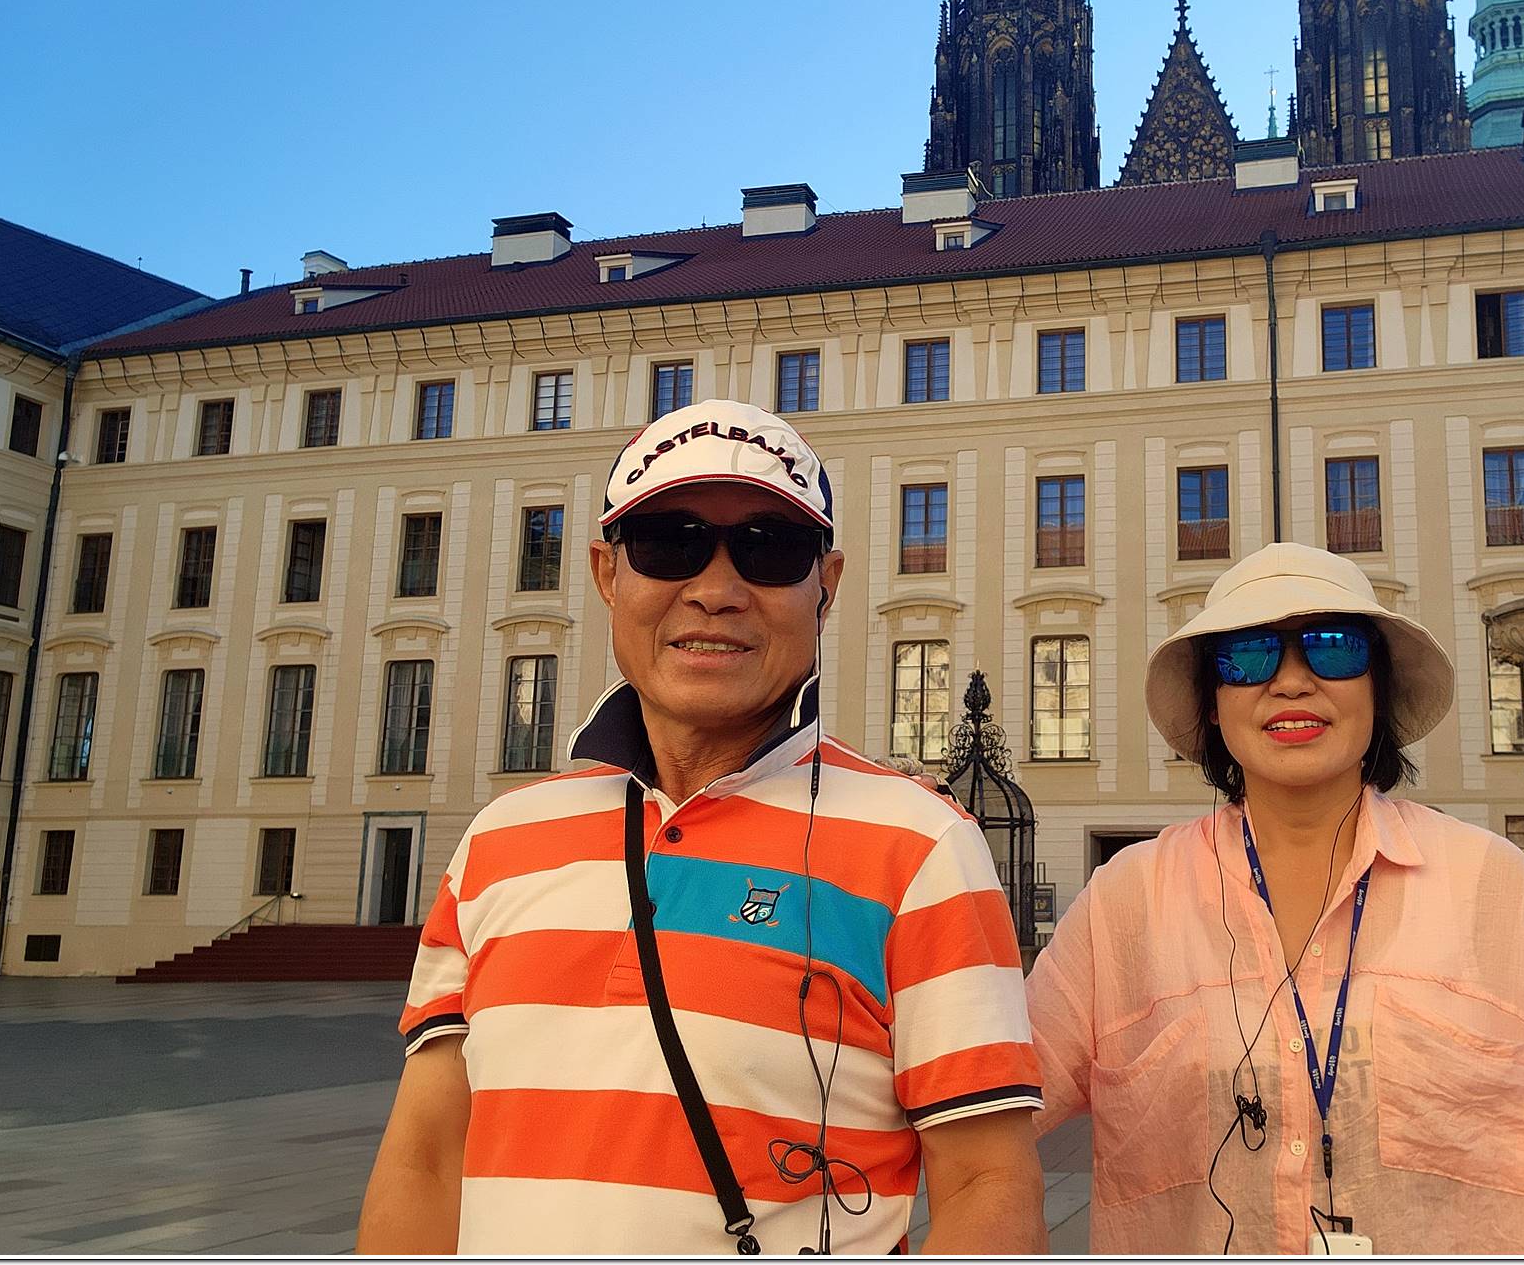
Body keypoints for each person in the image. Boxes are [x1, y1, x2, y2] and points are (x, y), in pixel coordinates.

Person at [358, 401, 1048, 1255]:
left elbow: (987, 1184)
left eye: (770, 548)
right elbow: (427, 1159)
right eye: (668, 543)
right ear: (608, 574)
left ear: (825, 586)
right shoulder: (499, 840)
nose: (717, 591)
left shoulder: (923, 846)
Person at [1025, 543, 1524, 1255]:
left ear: (1379, 689)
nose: (1291, 682)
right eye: (1247, 656)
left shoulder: (1488, 882)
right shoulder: (1126, 902)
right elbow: (988, 1105)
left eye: (1333, 648)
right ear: (1212, 704)